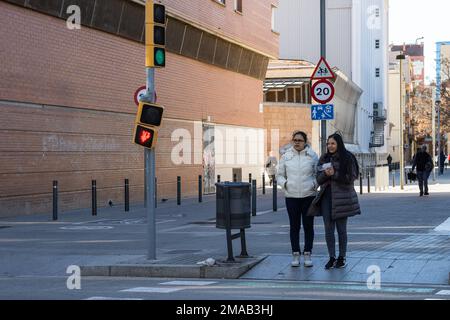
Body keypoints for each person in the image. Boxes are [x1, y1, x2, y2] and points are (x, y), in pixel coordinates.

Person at [313, 133, 361, 269]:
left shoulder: (348, 157)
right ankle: (331, 257)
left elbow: (351, 177)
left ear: (339, 144)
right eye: (328, 143)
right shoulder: (324, 158)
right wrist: (324, 174)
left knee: (341, 230)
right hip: (326, 197)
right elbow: (318, 177)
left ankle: (342, 257)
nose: (330, 146)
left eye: (333, 143)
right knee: (328, 230)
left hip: (342, 198)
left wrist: (334, 174)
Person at [277, 131, 318, 268]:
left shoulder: (312, 155)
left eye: (300, 140)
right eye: (295, 140)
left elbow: (318, 174)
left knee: (308, 226)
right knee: (294, 227)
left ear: (305, 141)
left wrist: (314, 185)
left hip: (308, 196)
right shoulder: (286, 156)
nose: (297, 142)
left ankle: (307, 253)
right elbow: (280, 175)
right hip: (292, 197)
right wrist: (286, 184)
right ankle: (295, 254)